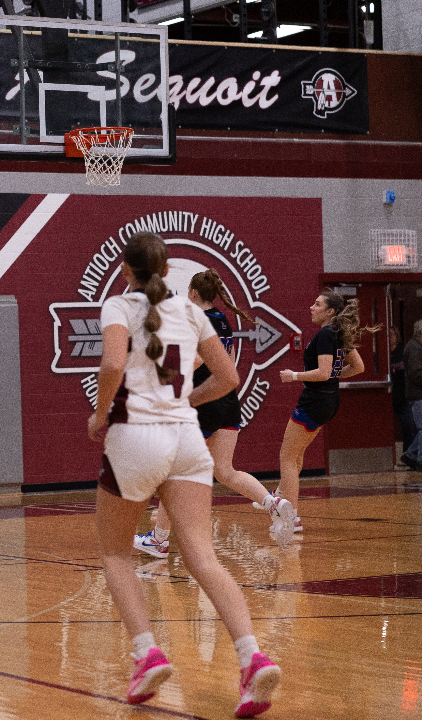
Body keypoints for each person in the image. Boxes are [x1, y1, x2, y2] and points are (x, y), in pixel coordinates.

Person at [88, 232, 281, 718]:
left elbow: (113, 362)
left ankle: (147, 653)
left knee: (114, 553)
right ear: (167, 267)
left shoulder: (117, 306)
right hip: (186, 440)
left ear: (125, 269)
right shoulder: (191, 312)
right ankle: (251, 657)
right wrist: (183, 402)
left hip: (136, 436)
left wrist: (99, 411)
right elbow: (229, 377)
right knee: (203, 557)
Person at [134, 269, 296, 558]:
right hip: (229, 403)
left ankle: (159, 540)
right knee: (225, 470)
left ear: (194, 294)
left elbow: (197, 359)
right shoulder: (224, 322)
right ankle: (273, 504)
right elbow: (228, 363)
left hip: (206, 402)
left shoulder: (198, 320)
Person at [276, 290, 374, 531]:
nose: (312, 307)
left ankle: (291, 517)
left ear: (330, 311)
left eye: (317, 304)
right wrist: (332, 377)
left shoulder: (325, 335)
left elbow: (323, 372)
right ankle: (281, 498)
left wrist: (293, 376)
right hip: (328, 401)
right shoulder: (336, 333)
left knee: (287, 458)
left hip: (315, 401)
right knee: (295, 457)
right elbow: (358, 366)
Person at [398, 320, 422, 469]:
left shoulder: (417, 346)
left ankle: (410, 455)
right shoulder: (414, 348)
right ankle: (419, 460)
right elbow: (416, 374)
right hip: (418, 394)